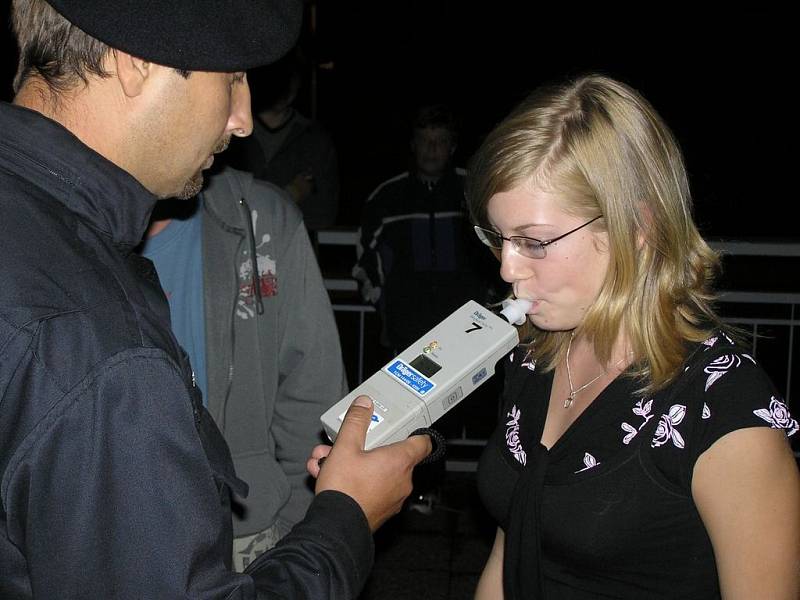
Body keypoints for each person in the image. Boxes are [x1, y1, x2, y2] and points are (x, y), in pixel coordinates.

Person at [0, 1, 430, 598]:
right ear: (135, 63)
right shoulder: (103, 349)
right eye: (230, 78)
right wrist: (344, 518)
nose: (244, 119)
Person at [467, 74, 800, 599]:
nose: (508, 268)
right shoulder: (535, 355)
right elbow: (510, 554)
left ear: (637, 228)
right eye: (498, 237)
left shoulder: (725, 410)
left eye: (533, 242)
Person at [139, 165, 347, 571]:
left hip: (247, 530)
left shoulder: (264, 216)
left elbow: (311, 389)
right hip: (111, 536)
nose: (243, 120)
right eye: (229, 96)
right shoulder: (44, 218)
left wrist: (299, 530)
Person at [353, 103, 496, 355]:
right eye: (424, 141)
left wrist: (489, 305)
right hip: (406, 327)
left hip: (468, 325)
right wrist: (384, 306)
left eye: (440, 141)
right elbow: (366, 257)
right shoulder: (387, 197)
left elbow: (497, 245)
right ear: (413, 145)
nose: (431, 149)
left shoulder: (475, 190)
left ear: (452, 147)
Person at [225, 47, 340, 241]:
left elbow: (324, 215)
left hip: (291, 250)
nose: (286, 85)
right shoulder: (233, 133)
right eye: (277, 76)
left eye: (292, 76)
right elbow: (224, 207)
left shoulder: (314, 139)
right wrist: (292, 193)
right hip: (235, 249)